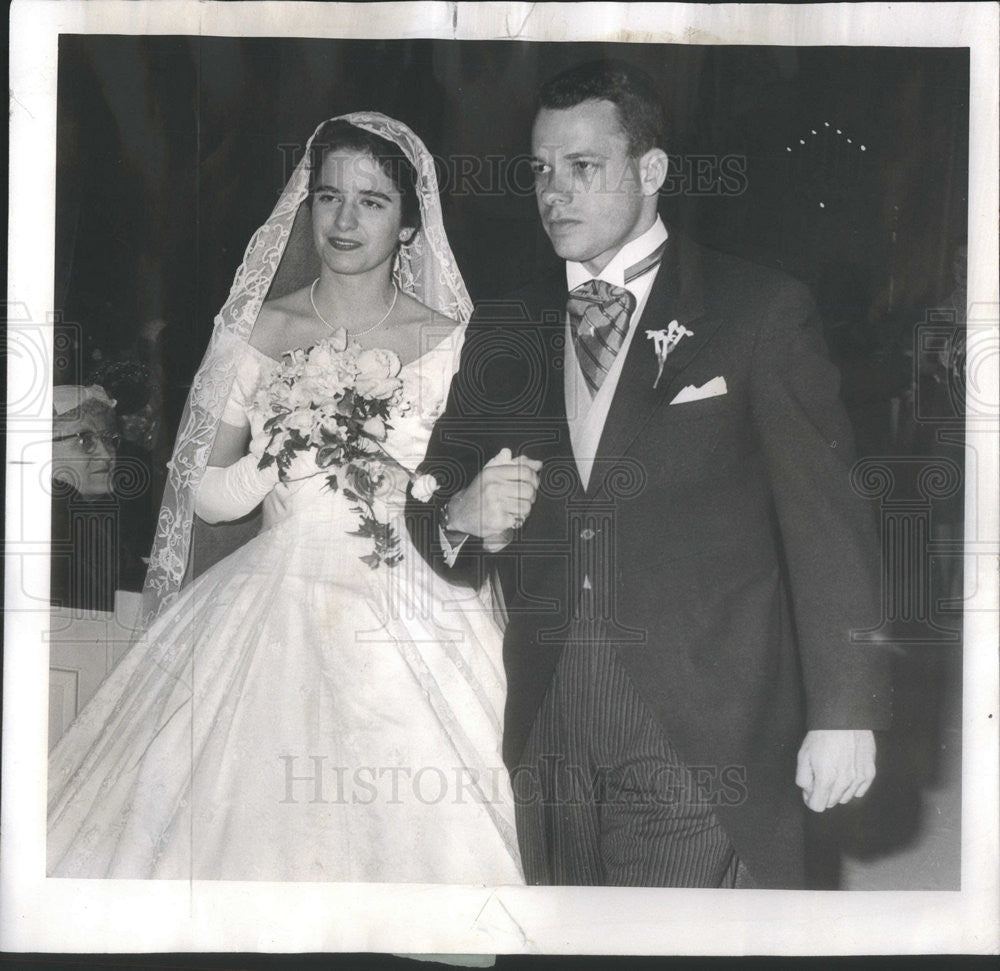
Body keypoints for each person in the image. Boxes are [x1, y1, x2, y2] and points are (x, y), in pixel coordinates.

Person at [409, 61, 891, 888]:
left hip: (702, 723)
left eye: (584, 167)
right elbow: (434, 479)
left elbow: (829, 521)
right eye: (540, 171)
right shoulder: (507, 327)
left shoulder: (758, 310)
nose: (554, 192)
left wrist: (846, 711)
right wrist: (460, 510)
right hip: (551, 711)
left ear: (652, 170)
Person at [48, 113, 523, 884]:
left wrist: (418, 485)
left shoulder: (455, 340)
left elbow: (470, 489)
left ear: (409, 225)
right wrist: (274, 456)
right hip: (275, 593)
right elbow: (204, 497)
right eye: (329, 196)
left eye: (372, 202)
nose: (343, 220)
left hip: (417, 597)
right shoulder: (257, 331)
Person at [50, 384, 148, 609]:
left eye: (108, 439)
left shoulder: (90, 515)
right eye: (84, 441)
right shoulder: (57, 518)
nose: (106, 455)